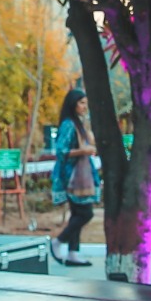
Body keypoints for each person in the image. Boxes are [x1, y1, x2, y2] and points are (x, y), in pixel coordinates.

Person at [46, 88, 98, 267]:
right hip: (72, 176)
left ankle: (73, 253)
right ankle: (58, 242)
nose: (85, 107)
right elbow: (61, 151)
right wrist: (83, 151)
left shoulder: (78, 123)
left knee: (77, 213)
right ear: (73, 104)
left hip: (79, 175)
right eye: (81, 103)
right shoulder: (68, 125)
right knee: (85, 213)